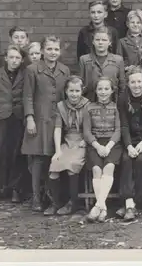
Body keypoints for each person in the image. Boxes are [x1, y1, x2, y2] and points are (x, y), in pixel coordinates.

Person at [21, 35, 71, 212]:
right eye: (49, 49)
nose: (52, 52)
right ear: (42, 51)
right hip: (39, 119)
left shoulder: (64, 70)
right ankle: (36, 196)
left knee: (55, 157)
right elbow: (27, 95)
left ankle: (53, 196)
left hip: (58, 119)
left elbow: (67, 97)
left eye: (56, 49)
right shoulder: (32, 70)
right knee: (37, 159)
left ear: (60, 51)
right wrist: (29, 118)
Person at [0, 45, 28, 205]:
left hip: (18, 117)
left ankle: (15, 188)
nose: (14, 60)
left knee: (17, 153)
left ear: (22, 60)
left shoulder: (25, 73)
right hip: (1, 117)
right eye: (12, 57)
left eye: (17, 58)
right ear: (6, 58)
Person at [44, 76, 90, 216]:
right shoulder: (61, 106)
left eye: (77, 91)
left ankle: (73, 203)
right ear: (66, 91)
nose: (74, 94)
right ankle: (55, 202)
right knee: (54, 167)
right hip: (68, 141)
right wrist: (58, 150)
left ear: (82, 91)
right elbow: (58, 128)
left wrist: (86, 140)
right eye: (71, 91)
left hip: (83, 141)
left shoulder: (88, 105)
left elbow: (91, 127)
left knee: (72, 167)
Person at [116, 67, 142, 221]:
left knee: (140, 161)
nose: (136, 85)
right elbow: (124, 125)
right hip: (129, 139)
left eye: (139, 81)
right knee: (126, 160)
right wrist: (129, 145)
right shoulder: (123, 98)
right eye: (133, 82)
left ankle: (134, 201)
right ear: (128, 83)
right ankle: (128, 202)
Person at [83, 77, 122, 222]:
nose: (103, 92)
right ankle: (103, 207)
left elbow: (118, 130)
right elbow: (87, 132)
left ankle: (98, 206)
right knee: (96, 170)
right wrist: (97, 146)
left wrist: (109, 146)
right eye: (100, 89)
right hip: (95, 143)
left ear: (112, 90)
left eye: (106, 89)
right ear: (96, 91)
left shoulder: (116, 107)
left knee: (109, 167)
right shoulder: (89, 108)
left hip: (112, 143)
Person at [79, 26, 126, 103]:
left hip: (112, 103)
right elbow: (81, 85)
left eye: (104, 40)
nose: (100, 42)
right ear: (93, 42)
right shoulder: (84, 59)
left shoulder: (118, 60)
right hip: (89, 102)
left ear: (110, 42)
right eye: (97, 40)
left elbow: (122, 86)